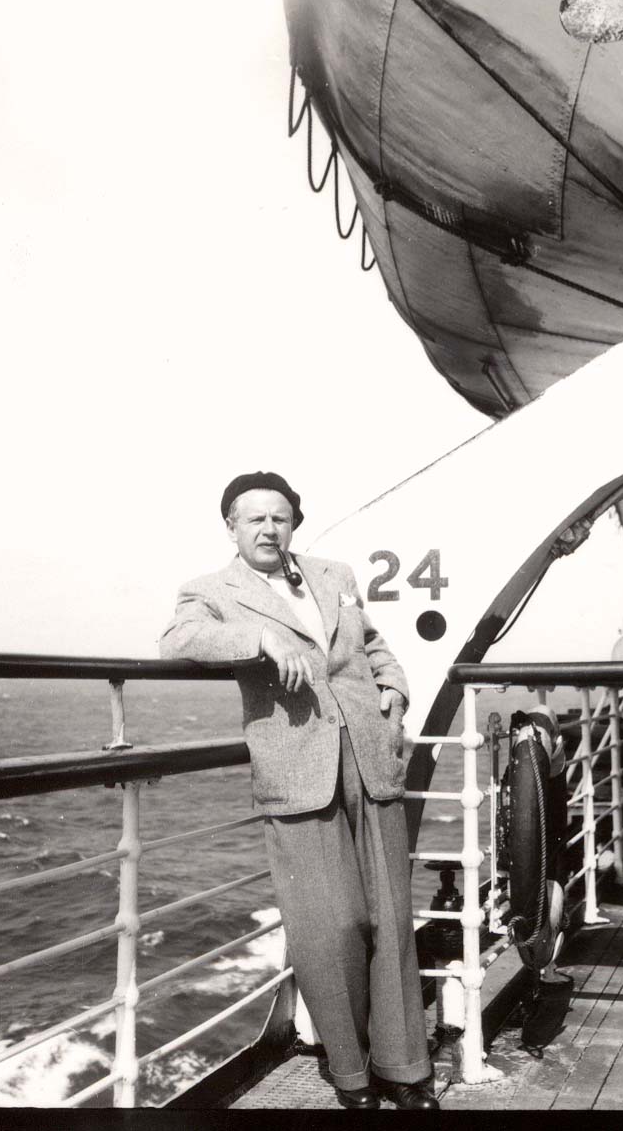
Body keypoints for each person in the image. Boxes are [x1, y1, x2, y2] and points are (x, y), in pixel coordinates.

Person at [160, 472, 438, 1110]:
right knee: (328, 929)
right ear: (231, 527)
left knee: (391, 920)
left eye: (279, 518)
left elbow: (372, 645)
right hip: (298, 772)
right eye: (254, 518)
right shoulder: (211, 590)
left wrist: (394, 690)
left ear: (293, 524)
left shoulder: (334, 574)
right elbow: (177, 639)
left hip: (370, 758)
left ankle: (404, 1068)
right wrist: (259, 637)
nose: (268, 529)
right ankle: (352, 1073)